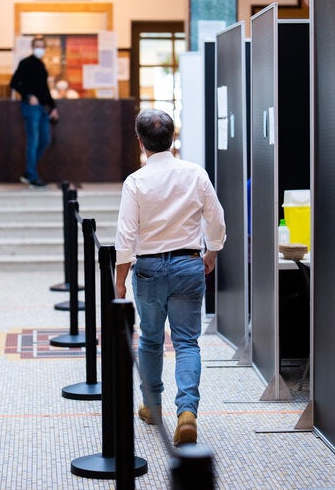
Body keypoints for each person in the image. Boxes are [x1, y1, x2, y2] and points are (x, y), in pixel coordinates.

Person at [114, 108, 226, 447]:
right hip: (188, 264)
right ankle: (187, 412)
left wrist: (119, 281)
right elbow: (216, 219)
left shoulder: (135, 182)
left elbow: (125, 237)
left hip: (147, 269)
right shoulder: (195, 173)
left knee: (150, 339)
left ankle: (151, 404)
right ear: (172, 138)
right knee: (187, 342)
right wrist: (212, 251)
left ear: (140, 141)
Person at [9, 36, 58, 187]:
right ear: (32, 47)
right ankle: (33, 177)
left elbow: (44, 89)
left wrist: (53, 107)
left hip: (43, 109)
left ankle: (28, 172)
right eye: (37, 45)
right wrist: (28, 95)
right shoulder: (26, 63)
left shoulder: (41, 65)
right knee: (34, 141)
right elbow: (14, 83)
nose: (40, 48)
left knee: (45, 140)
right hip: (31, 108)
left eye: (42, 46)